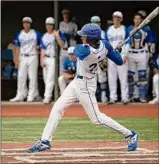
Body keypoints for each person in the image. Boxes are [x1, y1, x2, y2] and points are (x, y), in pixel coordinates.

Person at [27, 23, 138, 153]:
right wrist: (113, 51)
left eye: (84, 36)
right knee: (57, 108)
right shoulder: (105, 45)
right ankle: (45, 141)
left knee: (97, 119)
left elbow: (76, 50)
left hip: (86, 86)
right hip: (76, 83)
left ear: (90, 39)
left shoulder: (85, 51)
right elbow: (118, 61)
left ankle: (130, 135)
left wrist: (112, 51)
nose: (82, 38)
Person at [10, 17, 41, 102]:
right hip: (22, 56)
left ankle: (31, 95)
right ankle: (20, 94)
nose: (26, 24)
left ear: (30, 24)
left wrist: (38, 49)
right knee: (21, 76)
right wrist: (16, 59)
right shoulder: (19, 34)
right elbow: (16, 47)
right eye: (24, 23)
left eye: (28, 23)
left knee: (32, 77)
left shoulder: (36, 33)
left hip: (33, 56)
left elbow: (41, 45)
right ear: (22, 24)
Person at [128, 13, 154, 102]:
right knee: (131, 76)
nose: (137, 20)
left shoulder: (146, 29)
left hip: (142, 53)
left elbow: (151, 42)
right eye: (136, 18)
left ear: (142, 20)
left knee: (142, 76)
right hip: (131, 53)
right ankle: (132, 96)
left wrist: (150, 53)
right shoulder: (129, 29)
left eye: (139, 19)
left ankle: (142, 96)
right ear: (133, 20)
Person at [105, 11, 129, 104]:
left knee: (123, 77)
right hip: (111, 56)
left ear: (121, 19)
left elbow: (128, 42)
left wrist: (125, 54)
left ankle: (125, 97)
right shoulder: (109, 30)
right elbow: (106, 44)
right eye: (115, 17)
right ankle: (112, 97)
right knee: (111, 78)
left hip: (121, 55)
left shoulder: (124, 29)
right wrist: (106, 56)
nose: (116, 19)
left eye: (118, 17)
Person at [40, 17, 65, 104]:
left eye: (51, 25)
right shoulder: (44, 36)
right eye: (48, 24)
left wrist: (57, 36)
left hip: (53, 58)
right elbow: (42, 49)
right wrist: (41, 60)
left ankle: (47, 97)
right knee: (46, 79)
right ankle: (49, 96)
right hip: (46, 58)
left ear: (53, 25)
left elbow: (62, 45)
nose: (49, 26)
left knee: (50, 78)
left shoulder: (57, 34)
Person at [90, 16, 108, 103]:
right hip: (91, 58)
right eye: (94, 23)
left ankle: (103, 95)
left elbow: (106, 45)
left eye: (97, 23)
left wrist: (104, 57)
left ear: (100, 24)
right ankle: (93, 97)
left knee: (102, 77)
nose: (96, 24)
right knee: (92, 78)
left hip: (101, 57)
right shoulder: (87, 33)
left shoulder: (104, 33)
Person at [59, 9, 78, 73]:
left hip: (72, 49)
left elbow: (76, 36)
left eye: (67, 14)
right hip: (64, 49)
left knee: (73, 68)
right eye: (64, 14)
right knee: (62, 69)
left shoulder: (74, 25)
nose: (65, 15)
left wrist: (69, 34)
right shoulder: (60, 24)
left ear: (69, 15)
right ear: (62, 15)